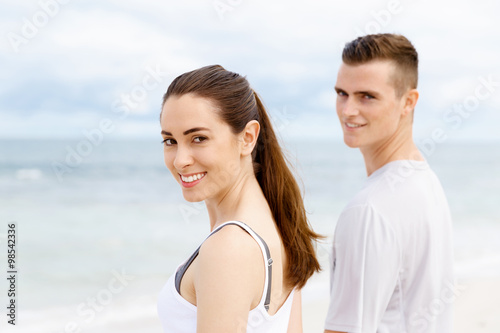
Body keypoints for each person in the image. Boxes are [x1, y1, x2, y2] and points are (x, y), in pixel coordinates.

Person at [157, 65, 321, 332]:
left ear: (247, 138)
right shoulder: (279, 225)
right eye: (170, 141)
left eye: (198, 138)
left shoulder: (228, 248)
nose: (180, 161)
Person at [324, 34, 454, 333]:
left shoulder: (370, 210)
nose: (347, 110)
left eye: (366, 96)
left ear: (408, 101)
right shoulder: (425, 182)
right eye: (342, 93)